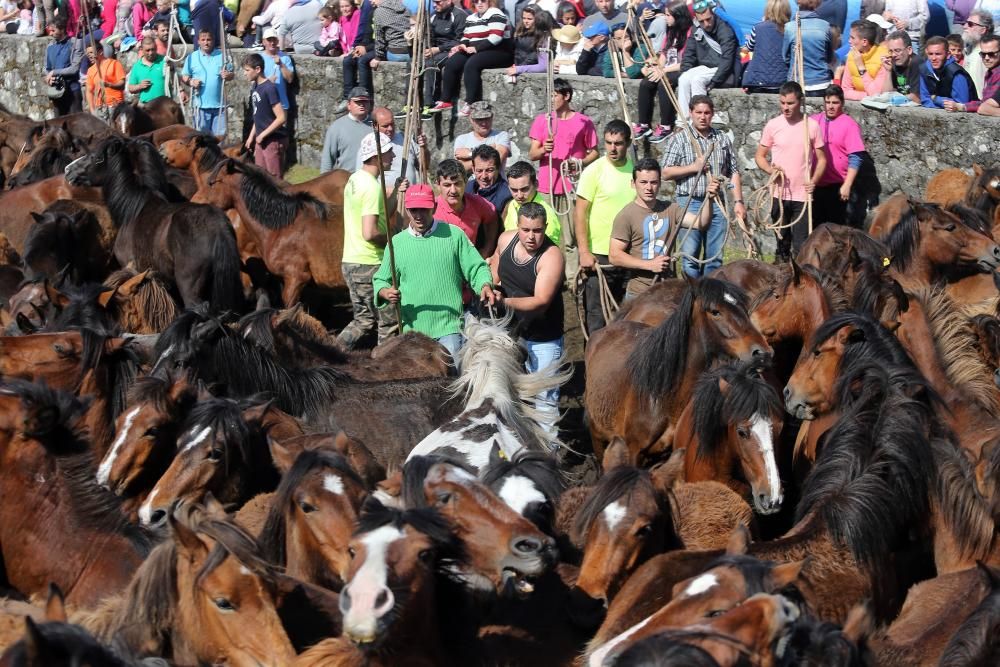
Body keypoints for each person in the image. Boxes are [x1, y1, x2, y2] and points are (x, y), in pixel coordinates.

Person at [374, 184, 500, 363]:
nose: (418, 215)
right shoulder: (396, 243)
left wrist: (484, 284)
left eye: (424, 209)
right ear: (407, 209)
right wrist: (385, 291)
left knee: (452, 381)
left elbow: (476, 267)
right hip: (412, 330)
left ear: (433, 206)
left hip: (449, 327)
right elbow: (380, 279)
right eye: (413, 210)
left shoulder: (454, 235)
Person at [489, 201, 565, 434]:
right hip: (510, 332)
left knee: (545, 400)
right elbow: (495, 267)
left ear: (545, 228)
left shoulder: (551, 257)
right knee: (508, 394)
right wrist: (491, 288)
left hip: (543, 338)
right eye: (526, 230)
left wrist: (503, 302)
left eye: (537, 231)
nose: (531, 236)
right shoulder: (505, 240)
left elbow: (540, 300)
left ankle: (549, 456)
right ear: (517, 226)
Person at [661, 95, 745, 277]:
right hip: (689, 202)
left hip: (717, 203)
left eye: (707, 113)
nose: (702, 116)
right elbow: (666, 172)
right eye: (698, 112)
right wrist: (694, 167)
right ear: (690, 113)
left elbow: (734, 171)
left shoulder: (721, 139)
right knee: (690, 256)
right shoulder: (681, 139)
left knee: (714, 258)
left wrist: (738, 202)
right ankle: (692, 298)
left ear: (712, 114)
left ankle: (709, 298)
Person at [340, 131, 403, 349]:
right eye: (388, 153)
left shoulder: (355, 180)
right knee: (389, 323)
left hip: (351, 261)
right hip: (369, 264)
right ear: (376, 156)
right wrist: (392, 241)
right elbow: (370, 232)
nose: (393, 156)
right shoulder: (371, 187)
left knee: (363, 320)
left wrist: (396, 191)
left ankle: (329, 355)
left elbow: (383, 211)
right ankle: (385, 368)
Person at [754, 82, 826, 261]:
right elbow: (760, 156)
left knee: (801, 244)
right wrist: (771, 170)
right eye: (782, 103)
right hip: (779, 193)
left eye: (790, 103)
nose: (785, 108)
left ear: (800, 101)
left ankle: (800, 281)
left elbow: (823, 159)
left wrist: (814, 180)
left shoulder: (812, 126)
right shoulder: (773, 125)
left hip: (802, 194)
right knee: (782, 241)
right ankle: (781, 274)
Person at [574, 119, 634, 334]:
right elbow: (580, 212)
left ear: (627, 143)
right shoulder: (594, 171)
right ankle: (592, 362)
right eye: (608, 143)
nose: (612, 148)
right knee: (596, 315)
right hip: (600, 256)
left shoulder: (635, 172)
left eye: (618, 143)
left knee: (627, 313)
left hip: (630, 254)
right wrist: (583, 251)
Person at [528, 77, 598, 253]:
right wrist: (545, 149)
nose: (551, 100)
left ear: (566, 96)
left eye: (554, 95)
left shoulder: (584, 122)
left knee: (570, 239)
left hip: (572, 187)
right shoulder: (542, 121)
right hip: (547, 187)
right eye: (549, 96)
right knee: (546, 236)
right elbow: (532, 154)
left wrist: (580, 163)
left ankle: (572, 279)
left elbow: (595, 152)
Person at [609, 158, 682, 299]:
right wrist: (649, 265)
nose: (648, 188)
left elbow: (700, 222)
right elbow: (614, 256)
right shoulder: (626, 215)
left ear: (660, 183)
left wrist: (710, 198)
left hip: (670, 290)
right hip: (639, 293)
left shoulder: (671, 209)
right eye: (643, 182)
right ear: (633, 184)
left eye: (653, 182)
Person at [430, 0, 514, 117]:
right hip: (479, 50)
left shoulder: (496, 13)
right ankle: (446, 100)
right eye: (476, 1)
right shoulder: (471, 18)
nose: (479, 3)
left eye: (483, 1)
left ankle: (471, 102)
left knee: (472, 63)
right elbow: (466, 36)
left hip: (500, 51)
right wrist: (463, 45)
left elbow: (496, 37)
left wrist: (476, 48)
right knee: (453, 62)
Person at [811, 85, 872, 228]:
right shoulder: (813, 122)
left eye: (835, 103)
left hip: (837, 186)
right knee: (815, 227)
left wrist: (847, 184)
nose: (831, 106)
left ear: (842, 103)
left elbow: (856, 157)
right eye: (828, 102)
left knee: (837, 228)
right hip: (816, 183)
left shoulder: (849, 125)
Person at [676, 0, 740, 112]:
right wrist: (684, 71)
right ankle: (683, 121)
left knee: (698, 80)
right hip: (706, 67)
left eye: (708, 19)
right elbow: (689, 54)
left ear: (713, 14)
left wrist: (714, 81)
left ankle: (699, 119)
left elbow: (727, 59)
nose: (706, 24)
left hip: (725, 71)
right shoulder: (696, 28)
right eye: (702, 21)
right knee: (683, 79)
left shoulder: (725, 29)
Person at [434, 159, 498, 258]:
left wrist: (487, 249)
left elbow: (492, 219)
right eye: (447, 185)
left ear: (465, 182)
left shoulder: (478, 204)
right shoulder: (430, 209)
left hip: (469, 265)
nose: (453, 190)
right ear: (438, 185)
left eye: (457, 184)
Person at [180, 29, 235, 138]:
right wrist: (191, 81)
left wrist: (228, 75)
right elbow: (184, 76)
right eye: (203, 40)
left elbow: (232, 74)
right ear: (198, 41)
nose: (206, 42)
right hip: (200, 107)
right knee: (202, 140)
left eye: (209, 39)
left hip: (220, 107)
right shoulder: (192, 57)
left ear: (213, 41)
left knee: (220, 140)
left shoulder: (223, 56)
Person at [356, 106, 427, 186]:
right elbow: (364, 181)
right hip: (385, 197)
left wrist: (424, 147)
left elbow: (425, 165)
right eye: (385, 126)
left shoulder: (405, 139)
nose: (390, 128)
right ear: (375, 126)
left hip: (411, 196)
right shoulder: (369, 146)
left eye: (392, 124)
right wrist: (395, 191)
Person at [243, 53, 287, 178]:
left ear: (258, 69)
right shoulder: (255, 87)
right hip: (260, 141)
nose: (245, 73)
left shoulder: (269, 88)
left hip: (272, 140)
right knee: (260, 178)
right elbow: (258, 116)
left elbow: (281, 118)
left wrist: (262, 135)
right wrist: (251, 136)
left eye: (247, 70)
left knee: (274, 180)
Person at [423, 0, 467, 115]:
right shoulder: (433, 15)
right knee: (413, 63)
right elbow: (430, 37)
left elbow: (460, 40)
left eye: (438, 2)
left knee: (431, 64)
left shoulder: (459, 15)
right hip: (435, 50)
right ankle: (411, 103)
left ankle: (429, 103)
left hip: (451, 51)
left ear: (448, 1)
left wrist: (438, 49)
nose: (434, 5)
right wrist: (427, 48)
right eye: (433, 2)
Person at [503, 161, 561, 245]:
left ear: (536, 184)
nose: (519, 195)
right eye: (514, 190)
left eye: (524, 189)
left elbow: (551, 248)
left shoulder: (547, 214)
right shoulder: (512, 204)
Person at [783, 0, 834, 96]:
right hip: (821, 82)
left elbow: (786, 58)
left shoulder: (789, 27)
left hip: (796, 81)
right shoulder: (825, 26)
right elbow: (829, 57)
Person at [742, 0, 792, 93]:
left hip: (759, 81)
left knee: (743, 53)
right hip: (783, 81)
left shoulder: (758, 28)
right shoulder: (790, 29)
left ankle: (741, 79)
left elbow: (747, 49)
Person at [320, 86, 371, 173]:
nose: (362, 104)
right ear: (348, 105)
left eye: (365, 101)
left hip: (372, 181)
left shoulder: (376, 125)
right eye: (357, 102)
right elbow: (327, 160)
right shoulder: (336, 127)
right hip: (346, 181)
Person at [836, 19, 889, 100]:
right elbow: (845, 91)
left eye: (852, 38)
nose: (849, 41)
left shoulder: (883, 58)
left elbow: (875, 94)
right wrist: (866, 96)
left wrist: (861, 67)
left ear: (864, 42)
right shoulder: (851, 55)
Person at [920, 35, 978, 108]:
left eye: (938, 54)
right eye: (930, 54)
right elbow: (925, 100)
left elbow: (961, 104)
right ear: (926, 53)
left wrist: (935, 98)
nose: (933, 58)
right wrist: (942, 104)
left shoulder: (956, 73)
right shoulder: (924, 70)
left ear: (948, 54)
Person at [453, 101, 511, 172]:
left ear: (492, 117)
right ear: (471, 119)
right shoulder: (461, 139)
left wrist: (470, 154)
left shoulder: (501, 136)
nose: (484, 123)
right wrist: (490, 152)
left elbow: (498, 160)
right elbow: (460, 169)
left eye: (487, 118)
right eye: (479, 119)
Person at [338, 0, 374, 112]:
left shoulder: (368, 7)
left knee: (362, 61)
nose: (344, 9)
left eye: (347, 6)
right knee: (348, 61)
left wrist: (365, 48)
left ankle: (363, 95)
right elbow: (363, 31)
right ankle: (347, 97)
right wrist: (357, 47)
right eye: (342, 6)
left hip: (374, 47)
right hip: (364, 44)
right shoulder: (366, 6)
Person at [44, 16, 84, 116]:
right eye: (50, 30)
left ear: (62, 29)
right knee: (57, 126)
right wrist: (48, 78)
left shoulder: (74, 43)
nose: (51, 33)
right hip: (57, 91)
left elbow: (74, 69)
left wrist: (54, 72)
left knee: (75, 126)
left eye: (53, 30)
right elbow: (46, 68)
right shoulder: (50, 46)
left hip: (72, 92)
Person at [505, 4, 553, 82]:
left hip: (533, 75)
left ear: (538, 19)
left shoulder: (543, 36)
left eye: (530, 19)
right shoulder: (519, 32)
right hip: (518, 69)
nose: (526, 21)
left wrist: (519, 68)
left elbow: (543, 66)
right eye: (524, 18)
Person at [467, 145, 513, 223]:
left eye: (489, 170)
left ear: (498, 168)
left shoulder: (507, 195)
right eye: (479, 171)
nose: (484, 176)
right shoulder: (466, 188)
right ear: (473, 169)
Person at [84, 39, 125, 115]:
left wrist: (109, 85)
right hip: (100, 108)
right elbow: (89, 91)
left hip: (115, 105)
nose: (89, 55)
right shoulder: (90, 70)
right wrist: (92, 110)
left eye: (91, 53)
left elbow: (122, 84)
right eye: (88, 53)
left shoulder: (114, 64)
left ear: (100, 52)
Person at [881, 29, 922, 102]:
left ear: (909, 50)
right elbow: (885, 95)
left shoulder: (918, 63)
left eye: (897, 50)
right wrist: (888, 71)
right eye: (891, 51)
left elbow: (917, 97)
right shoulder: (894, 62)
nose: (893, 55)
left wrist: (895, 99)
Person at [261, 27, 295, 112]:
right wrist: (268, 81)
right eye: (269, 40)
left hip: (280, 102)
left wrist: (281, 64)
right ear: (263, 42)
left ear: (277, 41)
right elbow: (253, 81)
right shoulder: (259, 58)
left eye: (274, 40)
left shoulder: (285, 58)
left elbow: (290, 79)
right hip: (264, 102)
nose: (272, 43)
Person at [965, 33, 1000, 113]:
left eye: (991, 54)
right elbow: (985, 103)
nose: (986, 58)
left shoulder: (997, 73)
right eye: (983, 54)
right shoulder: (991, 72)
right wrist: (963, 107)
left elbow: (985, 107)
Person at [127, 36, 166, 104]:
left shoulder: (164, 61)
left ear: (156, 47)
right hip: (146, 107)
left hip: (164, 105)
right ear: (142, 49)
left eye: (153, 49)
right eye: (147, 50)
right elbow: (130, 88)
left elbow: (175, 78)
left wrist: (181, 91)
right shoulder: (137, 66)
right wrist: (140, 86)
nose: (150, 53)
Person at [962, 10, 993, 93]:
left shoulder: (990, 54)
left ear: (983, 30)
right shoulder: (969, 49)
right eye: (966, 22)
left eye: (970, 24)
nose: (965, 26)